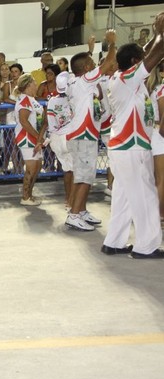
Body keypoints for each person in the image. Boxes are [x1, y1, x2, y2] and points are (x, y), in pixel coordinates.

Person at [102, 16, 164, 258]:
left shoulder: (123, 78)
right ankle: (146, 247)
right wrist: (160, 31)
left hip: (122, 148)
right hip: (131, 147)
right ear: (135, 63)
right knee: (146, 195)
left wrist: (152, 41)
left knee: (125, 198)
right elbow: (156, 53)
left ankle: (114, 242)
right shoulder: (128, 78)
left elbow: (148, 52)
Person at [64, 30, 117, 231]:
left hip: (79, 134)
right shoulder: (85, 81)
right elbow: (108, 63)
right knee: (86, 177)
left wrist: (89, 51)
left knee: (82, 175)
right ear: (87, 69)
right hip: (83, 134)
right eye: (92, 65)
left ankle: (81, 210)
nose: (96, 67)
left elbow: (84, 65)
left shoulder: (74, 80)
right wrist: (111, 44)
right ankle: (75, 214)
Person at [14, 74, 47, 206]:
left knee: (37, 166)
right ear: (28, 85)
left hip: (34, 137)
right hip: (27, 138)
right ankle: (25, 197)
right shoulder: (24, 101)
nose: (36, 85)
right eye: (34, 83)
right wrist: (38, 137)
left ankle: (30, 195)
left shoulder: (31, 99)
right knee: (31, 168)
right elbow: (24, 121)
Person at [46, 72, 74, 207]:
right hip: (69, 138)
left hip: (55, 139)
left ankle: (68, 200)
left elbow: (49, 123)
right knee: (74, 172)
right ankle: (73, 203)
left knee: (67, 170)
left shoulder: (52, 100)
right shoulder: (74, 100)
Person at [147, 62, 164, 220]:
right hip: (160, 136)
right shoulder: (161, 89)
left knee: (155, 178)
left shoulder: (152, 89)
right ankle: (159, 215)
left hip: (152, 134)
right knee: (161, 179)